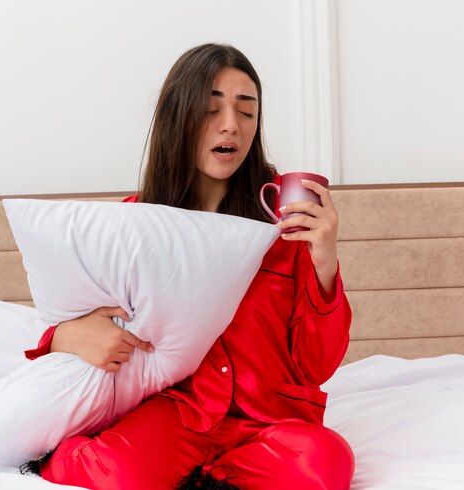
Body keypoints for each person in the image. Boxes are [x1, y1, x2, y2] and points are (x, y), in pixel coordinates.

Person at [23, 43, 354, 489]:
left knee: (325, 462)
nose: (231, 126)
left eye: (247, 112)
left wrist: (325, 262)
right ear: (179, 117)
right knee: (116, 473)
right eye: (211, 109)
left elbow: (316, 366)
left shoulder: (287, 218)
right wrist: (64, 335)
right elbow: (76, 316)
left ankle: (202, 478)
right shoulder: (132, 221)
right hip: (177, 411)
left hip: (267, 421)